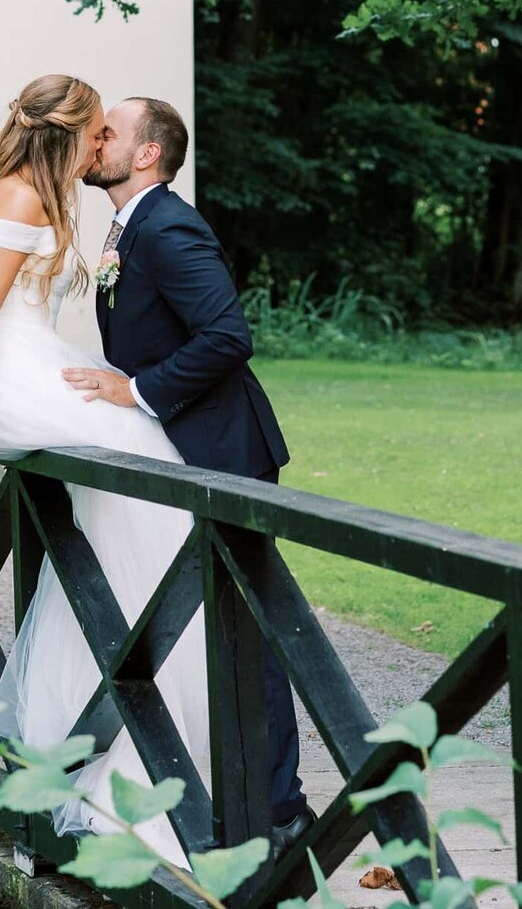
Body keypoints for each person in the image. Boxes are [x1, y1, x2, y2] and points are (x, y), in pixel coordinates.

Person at [0, 73, 210, 862]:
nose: (102, 144)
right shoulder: (19, 196)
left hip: (35, 360)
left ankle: (116, 732)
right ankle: (131, 748)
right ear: (69, 133)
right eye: (96, 131)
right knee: (144, 465)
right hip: (3, 374)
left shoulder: (49, 198)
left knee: (135, 498)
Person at [62, 96, 313, 853]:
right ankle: (225, 783)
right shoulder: (130, 226)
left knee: (248, 624)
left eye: (109, 132)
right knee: (195, 621)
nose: (96, 140)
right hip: (181, 451)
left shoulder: (168, 226)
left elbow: (227, 336)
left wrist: (136, 391)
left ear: (147, 154)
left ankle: (281, 808)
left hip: (222, 450)